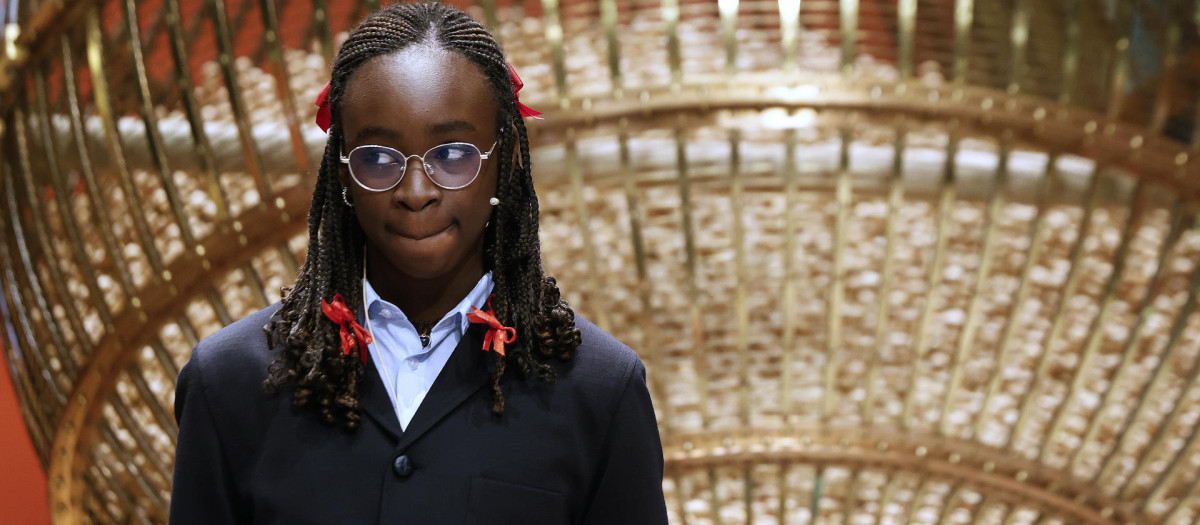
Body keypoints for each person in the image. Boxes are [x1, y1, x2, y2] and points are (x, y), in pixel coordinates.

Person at [167, 3, 668, 524]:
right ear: (341, 174)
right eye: (378, 158)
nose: (416, 192)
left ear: (505, 161)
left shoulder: (600, 391)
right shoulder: (228, 383)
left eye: (452, 155)